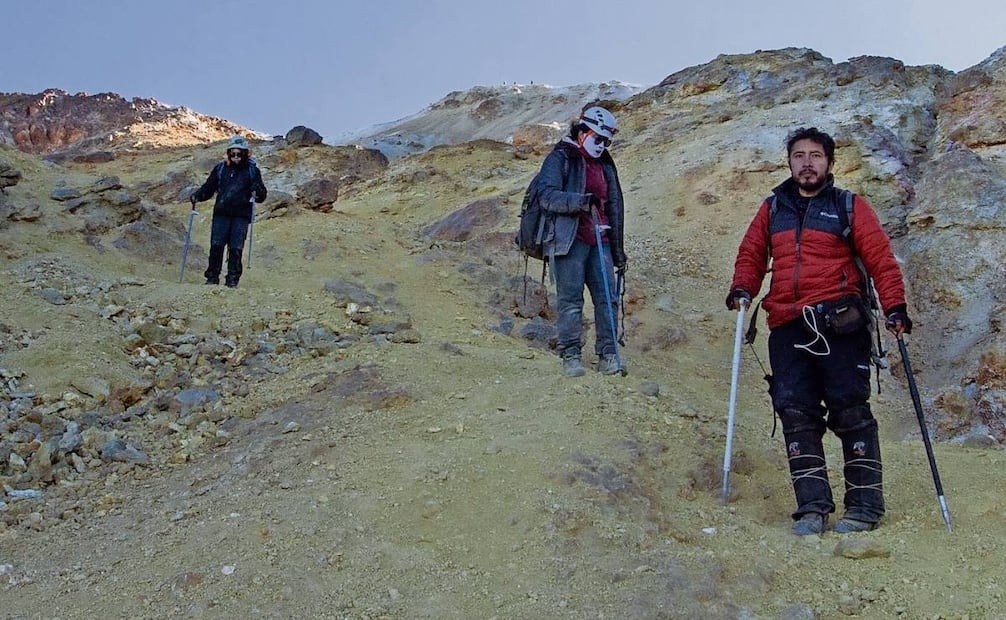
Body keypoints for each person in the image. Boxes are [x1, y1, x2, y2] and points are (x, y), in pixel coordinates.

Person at [725, 127, 913, 535]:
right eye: (798, 155)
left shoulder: (849, 206)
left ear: (829, 162)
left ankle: (864, 507)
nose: (806, 163)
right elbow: (752, 253)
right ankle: (812, 507)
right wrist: (743, 286)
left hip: (839, 320)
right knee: (795, 412)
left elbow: (880, 258)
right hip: (787, 323)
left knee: (850, 409)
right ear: (789, 162)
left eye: (815, 156)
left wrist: (894, 306)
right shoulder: (772, 208)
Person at [535, 106, 627, 377]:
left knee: (608, 299)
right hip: (569, 241)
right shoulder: (560, 157)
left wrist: (618, 252)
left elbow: (614, 207)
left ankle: (609, 355)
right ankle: (571, 354)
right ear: (583, 131)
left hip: (602, 240)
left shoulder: (605, 163)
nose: (602, 145)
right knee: (571, 300)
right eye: (597, 139)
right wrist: (580, 202)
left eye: (606, 141)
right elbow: (547, 196)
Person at [190, 136, 267, 287]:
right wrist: (197, 196)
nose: (236, 157)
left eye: (240, 154)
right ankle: (212, 278)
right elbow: (209, 187)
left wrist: (257, 191)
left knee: (236, 248)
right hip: (221, 213)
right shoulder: (220, 169)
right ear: (229, 153)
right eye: (233, 154)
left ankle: (232, 280)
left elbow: (262, 195)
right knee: (216, 246)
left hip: (241, 216)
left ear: (246, 154)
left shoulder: (252, 171)